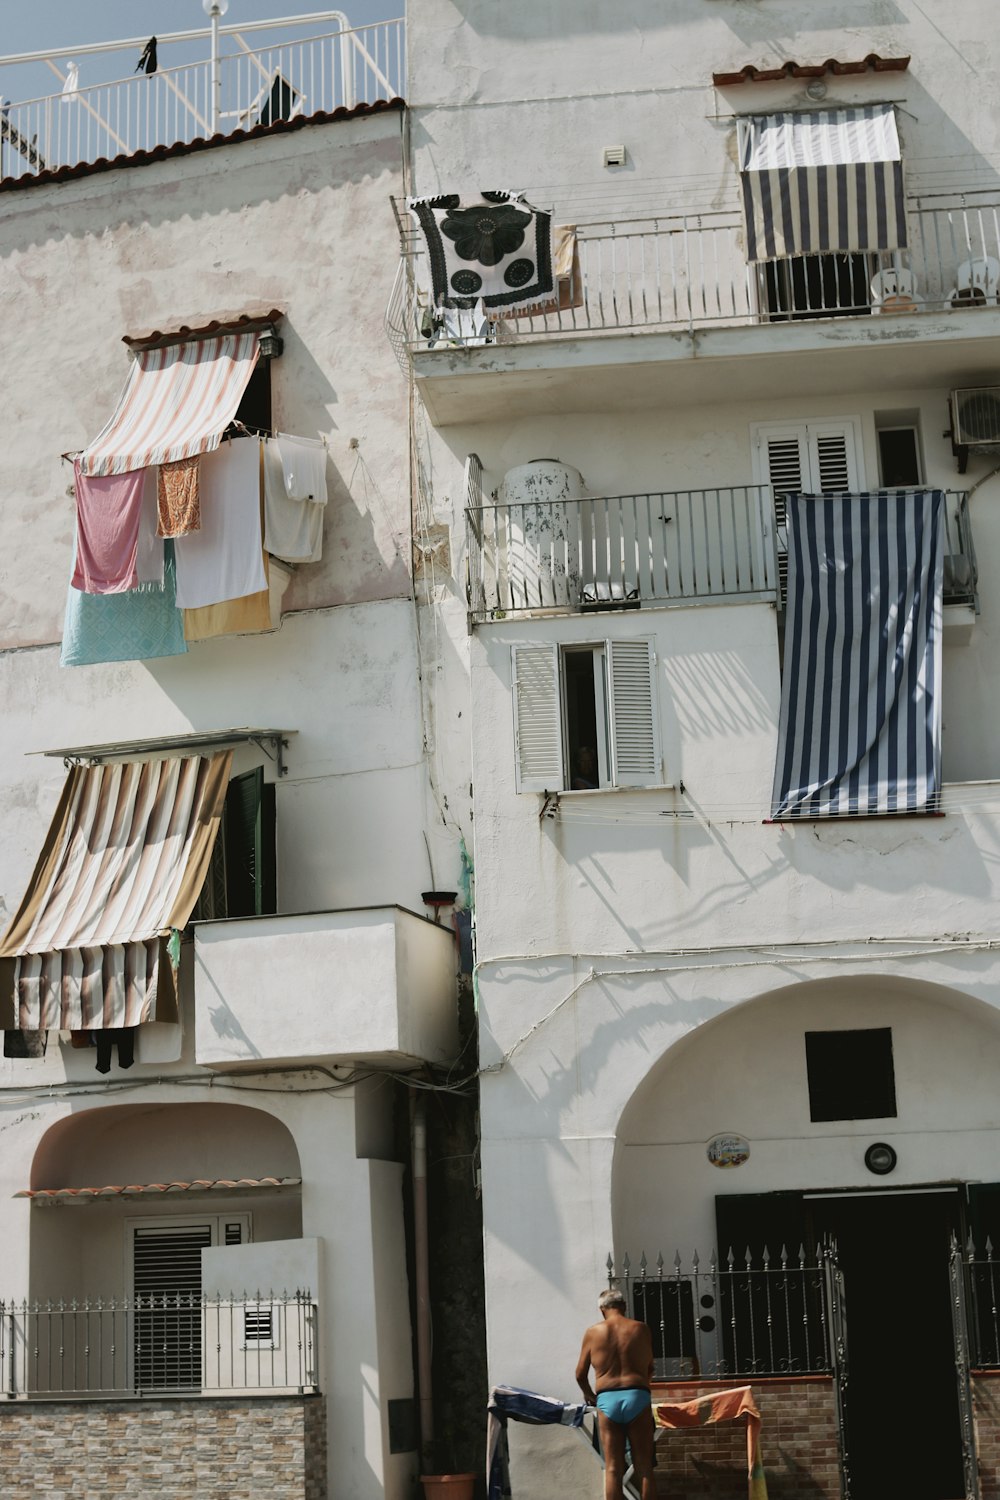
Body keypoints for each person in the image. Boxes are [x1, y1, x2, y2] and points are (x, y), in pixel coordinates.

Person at [575, 1288, 656, 1500]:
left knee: (612, 1469)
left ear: (602, 1309)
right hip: (637, 1395)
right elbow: (649, 1368)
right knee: (645, 1467)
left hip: (607, 1398)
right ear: (624, 1306)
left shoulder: (593, 1332)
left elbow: (579, 1374)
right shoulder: (641, 1329)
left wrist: (589, 1395)